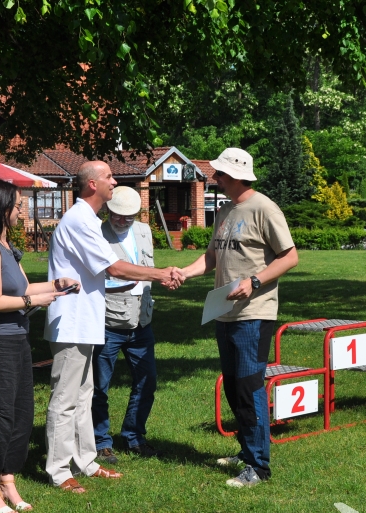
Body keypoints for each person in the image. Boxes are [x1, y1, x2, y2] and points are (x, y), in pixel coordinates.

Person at [43, 161, 182, 494]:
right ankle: (58, 470)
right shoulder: (79, 220)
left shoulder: (88, 220)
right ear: (92, 184)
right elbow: (115, 268)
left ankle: (86, 461)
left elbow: (105, 274)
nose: (114, 181)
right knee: (65, 399)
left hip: (86, 322)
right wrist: (161, 274)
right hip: (72, 323)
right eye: (108, 176)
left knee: (83, 396)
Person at [177, 148, 299, 488]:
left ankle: (258, 466)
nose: (214, 178)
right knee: (233, 386)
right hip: (224, 312)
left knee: (249, 387)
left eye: (218, 173)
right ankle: (247, 449)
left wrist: (254, 281)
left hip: (254, 314)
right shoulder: (225, 210)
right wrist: (184, 273)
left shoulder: (264, 208)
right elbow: (212, 258)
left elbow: (290, 257)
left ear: (233, 176)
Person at [0, 179, 77, 513]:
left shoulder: (6, 247)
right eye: (18, 205)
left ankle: (8, 480)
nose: (22, 210)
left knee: (20, 413)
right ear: (1, 208)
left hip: (17, 338)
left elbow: (24, 288)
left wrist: (56, 284)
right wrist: (34, 301)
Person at [92, 186, 160, 464]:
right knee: (99, 386)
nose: (122, 220)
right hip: (108, 322)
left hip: (141, 321)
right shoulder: (96, 233)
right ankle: (100, 442)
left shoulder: (144, 231)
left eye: (128, 216)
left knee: (147, 381)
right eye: (117, 215)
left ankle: (134, 436)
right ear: (108, 210)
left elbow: (146, 269)